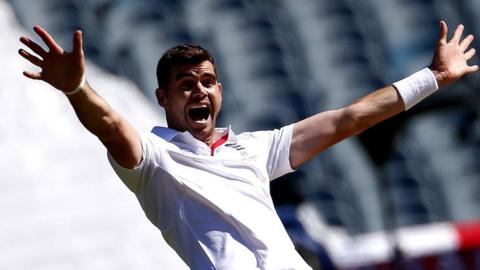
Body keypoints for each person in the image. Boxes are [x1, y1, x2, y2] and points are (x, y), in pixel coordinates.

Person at [18, 21, 477, 269]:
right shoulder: (154, 161)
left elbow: (346, 119)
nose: (199, 91)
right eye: (185, 84)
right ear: (162, 97)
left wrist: (432, 78)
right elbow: (111, 125)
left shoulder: (256, 149)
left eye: (208, 81)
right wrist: (77, 89)